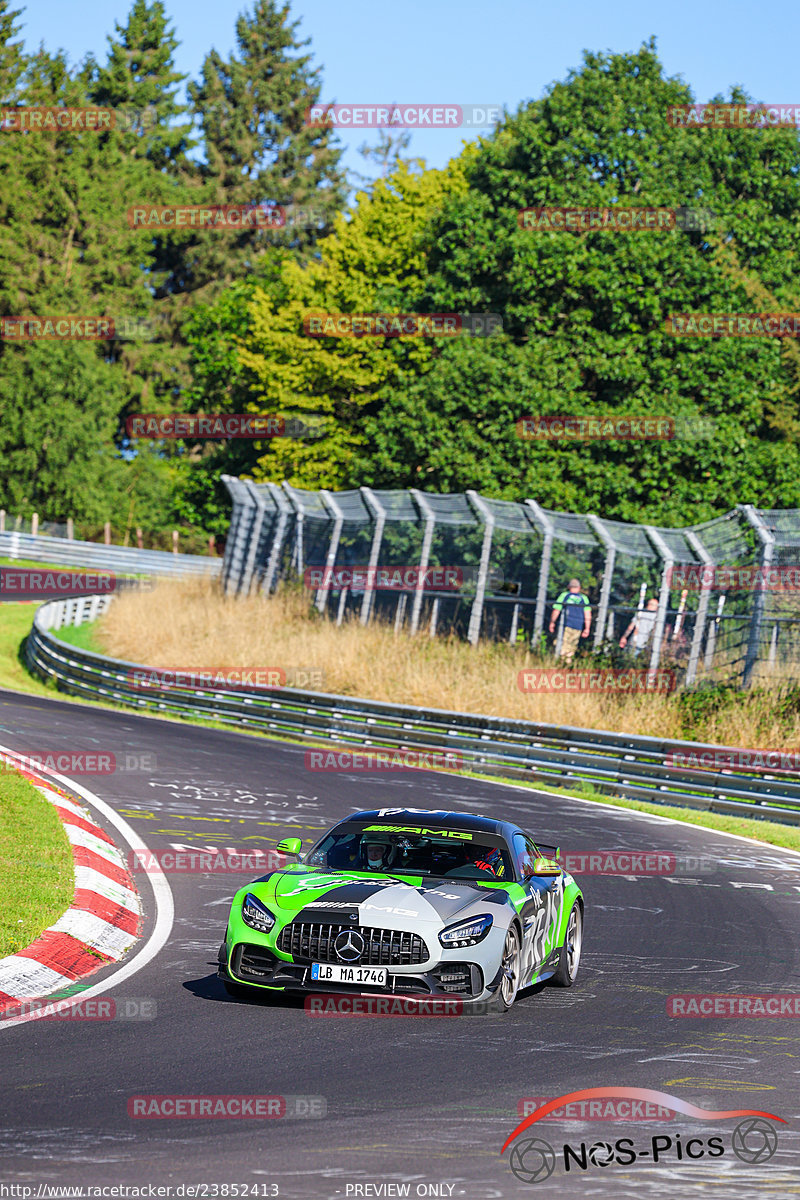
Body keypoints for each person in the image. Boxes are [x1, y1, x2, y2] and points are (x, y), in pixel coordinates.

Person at [549, 579, 592, 664]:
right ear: (579, 588)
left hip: (565, 624)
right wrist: (587, 628)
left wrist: (552, 622)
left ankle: (560, 664)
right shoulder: (584, 598)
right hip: (578, 626)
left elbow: (556, 610)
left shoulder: (565, 595)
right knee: (572, 647)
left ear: (569, 587)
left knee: (562, 645)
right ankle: (567, 665)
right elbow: (587, 614)